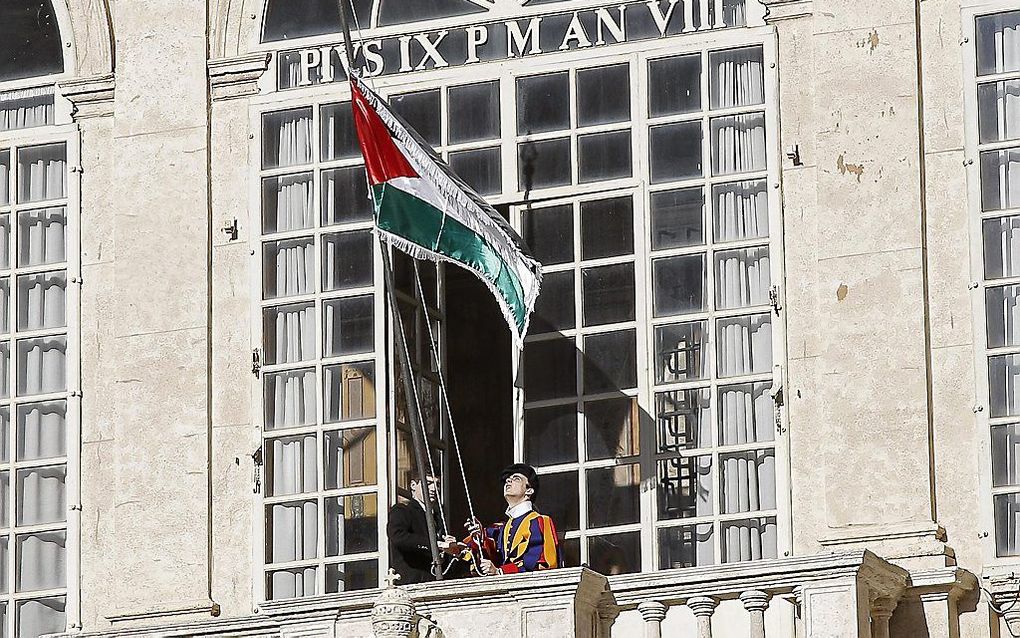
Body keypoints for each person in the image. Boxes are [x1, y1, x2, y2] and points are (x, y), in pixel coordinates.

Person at [464, 463, 562, 576]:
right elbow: (483, 551)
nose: (508, 481)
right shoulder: (501, 528)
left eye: (516, 479)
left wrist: (500, 571)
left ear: (529, 490)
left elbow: (542, 563)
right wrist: (458, 548)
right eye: (508, 479)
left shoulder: (540, 521)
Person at [387, 473, 465, 584]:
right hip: (412, 583)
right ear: (413, 485)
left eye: (437, 484)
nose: (434, 488)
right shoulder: (403, 510)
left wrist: (454, 552)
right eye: (428, 483)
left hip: (436, 583)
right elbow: (398, 537)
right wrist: (438, 545)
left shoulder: (439, 517)